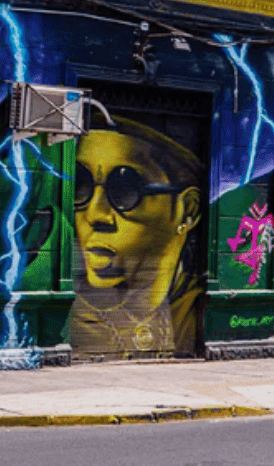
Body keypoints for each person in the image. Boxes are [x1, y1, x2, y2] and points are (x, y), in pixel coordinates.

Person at [69, 119, 205, 358]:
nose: (95, 214)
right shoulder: (71, 319)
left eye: (125, 189)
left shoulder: (195, 312)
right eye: (81, 185)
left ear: (188, 210)